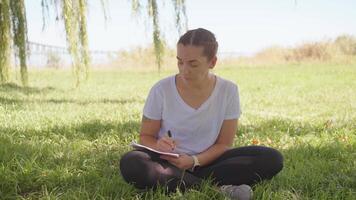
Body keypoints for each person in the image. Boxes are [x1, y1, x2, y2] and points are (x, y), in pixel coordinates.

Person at [120, 28, 283, 200]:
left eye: (193, 63)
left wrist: (194, 161)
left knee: (271, 158)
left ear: (212, 62)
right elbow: (146, 136)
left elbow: (224, 144)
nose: (184, 70)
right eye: (179, 62)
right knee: (132, 162)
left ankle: (187, 183)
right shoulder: (161, 89)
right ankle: (218, 189)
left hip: (209, 162)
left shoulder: (228, 90)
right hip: (168, 164)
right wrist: (159, 146)